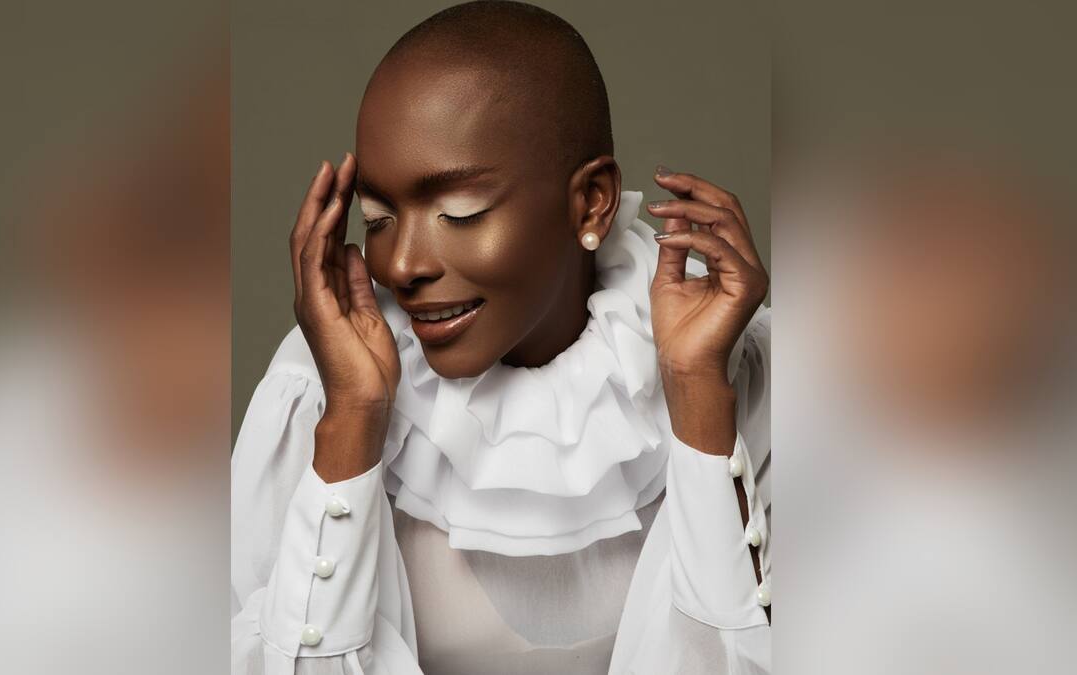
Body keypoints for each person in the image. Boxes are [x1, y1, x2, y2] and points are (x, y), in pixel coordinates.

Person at [231, 2, 770, 673]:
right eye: (378, 218)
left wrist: (699, 397)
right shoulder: (322, 385)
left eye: (460, 212)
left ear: (591, 202)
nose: (402, 265)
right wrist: (353, 420)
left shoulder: (739, 367)